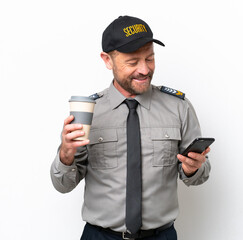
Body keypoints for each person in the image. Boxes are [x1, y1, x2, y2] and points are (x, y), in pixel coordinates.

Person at [50, 15, 211, 240]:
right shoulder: (88, 112)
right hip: (100, 236)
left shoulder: (179, 107)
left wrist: (193, 168)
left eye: (150, 58)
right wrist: (65, 155)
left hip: (160, 235)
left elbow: (199, 176)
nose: (144, 70)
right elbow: (63, 185)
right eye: (133, 62)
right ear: (107, 60)